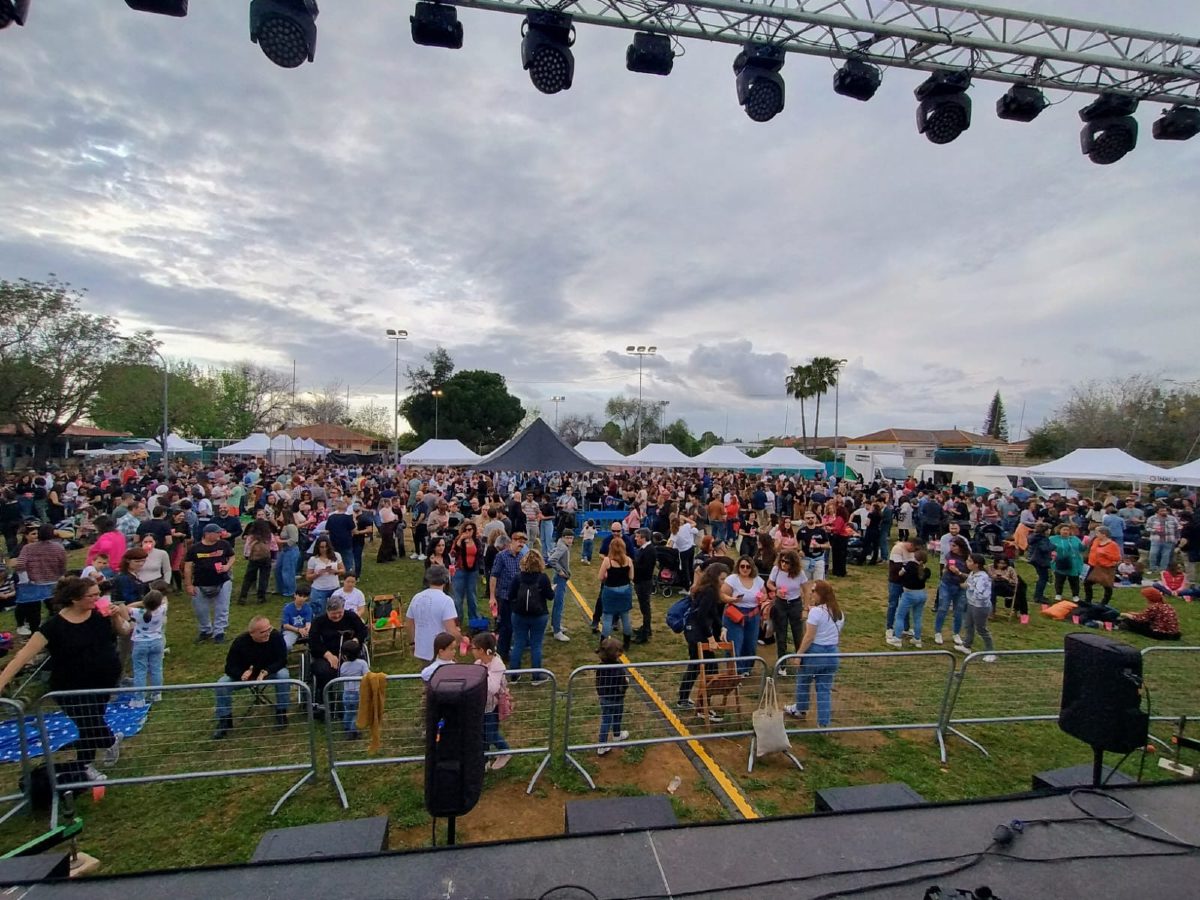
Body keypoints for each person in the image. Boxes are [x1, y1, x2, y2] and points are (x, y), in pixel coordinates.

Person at [0, 577, 132, 783]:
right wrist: (1, 683)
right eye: (92, 595)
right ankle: (109, 741)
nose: (98, 598)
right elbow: (22, 657)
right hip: (69, 684)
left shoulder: (101, 615)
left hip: (103, 678)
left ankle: (85, 764)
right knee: (87, 721)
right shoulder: (52, 627)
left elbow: (125, 631)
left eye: (98, 594)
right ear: (74, 599)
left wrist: (115, 617)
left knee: (90, 722)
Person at [211, 615, 290, 739]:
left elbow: (282, 660)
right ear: (252, 633)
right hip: (246, 676)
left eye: (269, 629)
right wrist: (241, 674)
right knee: (222, 683)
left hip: (268, 673)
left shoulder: (276, 637)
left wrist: (266, 671)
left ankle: (281, 712)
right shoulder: (240, 642)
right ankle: (224, 720)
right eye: (264, 632)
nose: (268, 633)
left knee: (284, 675)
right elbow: (229, 667)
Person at [785, 581, 844, 727]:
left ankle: (800, 708)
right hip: (832, 653)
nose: (811, 594)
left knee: (803, 680)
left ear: (820, 594)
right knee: (824, 689)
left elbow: (809, 637)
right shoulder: (839, 613)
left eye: (813, 591)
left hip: (816, 652)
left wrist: (799, 655)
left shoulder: (816, 612)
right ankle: (823, 723)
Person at [677, 561, 728, 720]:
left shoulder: (709, 590)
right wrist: (711, 637)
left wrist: (722, 627)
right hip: (697, 633)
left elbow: (712, 613)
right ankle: (701, 707)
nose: (724, 582)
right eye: (722, 579)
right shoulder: (709, 592)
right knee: (710, 670)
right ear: (714, 578)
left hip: (694, 631)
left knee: (697, 666)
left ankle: (684, 698)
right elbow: (702, 617)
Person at [308, 595, 369, 712]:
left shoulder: (351, 617)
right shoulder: (319, 621)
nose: (336, 616)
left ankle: (357, 699)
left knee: (356, 668)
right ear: (327, 611)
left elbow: (363, 631)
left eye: (339, 612)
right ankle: (327, 703)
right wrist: (328, 655)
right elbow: (313, 642)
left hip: (350, 653)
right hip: (325, 655)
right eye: (333, 613)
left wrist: (356, 640)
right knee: (325, 671)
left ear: (343, 609)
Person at [10, 522, 66, 636]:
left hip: (34, 583)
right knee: (55, 608)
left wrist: (24, 576)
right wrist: (60, 574)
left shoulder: (28, 548)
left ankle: (36, 633)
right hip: (53, 582)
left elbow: (20, 564)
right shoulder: (58, 548)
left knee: (34, 612)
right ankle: (59, 630)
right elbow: (62, 565)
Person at [184, 523, 235, 644]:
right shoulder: (195, 548)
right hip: (200, 584)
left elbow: (232, 556)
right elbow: (187, 567)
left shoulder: (224, 544)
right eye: (217, 533)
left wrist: (227, 566)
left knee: (222, 607)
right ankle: (205, 630)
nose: (219, 534)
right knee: (201, 609)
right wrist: (189, 585)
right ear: (207, 534)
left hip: (222, 581)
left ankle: (219, 632)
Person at [509, 550, 555, 676]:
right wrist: (550, 589)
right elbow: (551, 596)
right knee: (536, 645)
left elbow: (510, 595)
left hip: (519, 615)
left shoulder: (518, 577)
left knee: (518, 643)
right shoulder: (543, 578)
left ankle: (514, 675)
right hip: (539, 616)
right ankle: (536, 676)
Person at [471, 632, 512, 770]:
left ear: (481, 650)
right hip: (480, 705)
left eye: (473, 648)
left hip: (491, 706)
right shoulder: (479, 663)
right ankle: (484, 760)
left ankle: (505, 751)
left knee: (490, 733)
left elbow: (493, 687)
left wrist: (480, 675)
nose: (472, 651)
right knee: (480, 732)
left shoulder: (497, 664)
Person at [720, 556, 764, 675]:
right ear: (738, 567)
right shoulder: (732, 579)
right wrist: (733, 599)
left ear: (752, 568)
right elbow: (722, 595)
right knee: (735, 643)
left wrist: (763, 598)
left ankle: (746, 669)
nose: (745, 569)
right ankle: (734, 671)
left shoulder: (758, 580)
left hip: (753, 614)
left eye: (748, 566)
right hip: (735, 614)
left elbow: (764, 595)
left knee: (750, 644)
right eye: (742, 566)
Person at [407, 564, 460, 662]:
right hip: (440, 651)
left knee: (426, 675)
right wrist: (461, 639)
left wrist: (412, 643)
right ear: (446, 580)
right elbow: (451, 630)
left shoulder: (416, 597)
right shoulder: (446, 600)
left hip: (421, 650)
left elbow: (410, 623)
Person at [127, 589, 167, 707]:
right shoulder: (162, 609)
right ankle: (157, 694)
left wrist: (141, 603)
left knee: (140, 671)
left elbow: (125, 607)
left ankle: (139, 699)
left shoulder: (137, 612)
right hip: (157, 641)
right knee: (156, 669)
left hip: (140, 643)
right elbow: (164, 601)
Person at [489, 532, 526, 661]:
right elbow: (494, 576)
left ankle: (506, 650)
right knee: (505, 626)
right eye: (519, 541)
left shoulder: (522, 556)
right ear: (512, 542)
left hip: (517, 597)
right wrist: (492, 596)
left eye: (523, 542)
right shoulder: (501, 556)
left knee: (513, 626)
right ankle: (501, 653)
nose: (521, 544)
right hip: (504, 597)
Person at [766, 550, 807, 660]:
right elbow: (769, 583)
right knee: (781, 634)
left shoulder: (800, 573)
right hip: (780, 603)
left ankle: (800, 659)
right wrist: (776, 590)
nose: (783, 564)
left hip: (795, 603)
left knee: (798, 634)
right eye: (782, 561)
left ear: (793, 563)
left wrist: (805, 608)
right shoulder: (776, 570)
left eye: (787, 562)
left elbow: (806, 590)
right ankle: (782, 663)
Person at [598, 533, 635, 650]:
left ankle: (603, 644)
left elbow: (600, 577)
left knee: (608, 617)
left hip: (610, 590)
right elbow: (631, 577)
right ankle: (627, 642)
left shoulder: (607, 561)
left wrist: (606, 576)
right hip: (625, 590)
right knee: (625, 616)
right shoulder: (628, 560)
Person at [595, 637, 630, 755]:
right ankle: (613, 737)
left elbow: (598, 682)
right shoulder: (618, 668)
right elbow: (622, 684)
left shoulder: (600, 667)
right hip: (617, 698)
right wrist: (626, 683)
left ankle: (606, 742)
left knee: (606, 719)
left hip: (604, 698)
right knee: (616, 717)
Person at [933, 536, 969, 646]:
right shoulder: (950, 556)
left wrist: (959, 573)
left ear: (960, 546)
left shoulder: (967, 557)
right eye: (951, 545)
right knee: (943, 608)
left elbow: (969, 573)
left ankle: (956, 633)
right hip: (947, 584)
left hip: (960, 586)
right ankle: (938, 632)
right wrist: (952, 570)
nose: (951, 548)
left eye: (954, 546)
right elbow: (951, 567)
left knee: (959, 610)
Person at [959, 553, 996, 660]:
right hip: (971, 603)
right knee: (968, 625)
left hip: (980, 606)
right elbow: (969, 582)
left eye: (970, 561)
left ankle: (990, 652)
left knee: (981, 629)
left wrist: (968, 586)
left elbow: (981, 594)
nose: (967, 562)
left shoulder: (983, 577)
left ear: (976, 564)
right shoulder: (973, 573)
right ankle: (967, 645)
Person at [893, 549, 931, 648]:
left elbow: (900, 573)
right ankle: (917, 639)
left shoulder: (910, 565)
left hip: (909, 594)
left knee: (900, 616)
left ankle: (897, 638)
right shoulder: (926, 570)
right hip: (922, 594)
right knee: (917, 617)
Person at [450, 522, 484, 621]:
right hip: (460, 570)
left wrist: (481, 570)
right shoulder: (458, 540)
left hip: (473, 571)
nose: (468, 532)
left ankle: (473, 618)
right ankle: (458, 619)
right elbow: (453, 553)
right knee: (458, 597)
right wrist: (461, 539)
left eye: (470, 529)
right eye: (466, 530)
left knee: (472, 596)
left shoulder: (477, 541)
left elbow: (480, 555)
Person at [337, 639, 370, 739]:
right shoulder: (362, 663)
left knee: (348, 711)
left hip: (346, 693)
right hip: (358, 693)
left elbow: (341, 675)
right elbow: (367, 675)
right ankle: (353, 730)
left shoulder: (343, 665)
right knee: (356, 712)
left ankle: (346, 727)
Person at [305, 536, 345, 616]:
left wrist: (335, 571)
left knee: (336, 612)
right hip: (319, 590)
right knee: (319, 613)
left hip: (334, 588)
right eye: (322, 547)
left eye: (326, 547)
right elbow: (308, 577)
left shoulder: (336, 556)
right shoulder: (313, 559)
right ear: (318, 547)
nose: (324, 549)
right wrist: (317, 574)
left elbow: (343, 570)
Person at [239, 519, 274, 605]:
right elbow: (273, 546)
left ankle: (243, 596)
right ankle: (261, 597)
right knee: (264, 578)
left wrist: (246, 555)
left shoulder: (251, 537)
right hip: (265, 558)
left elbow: (247, 547)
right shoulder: (268, 535)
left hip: (254, 558)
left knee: (248, 578)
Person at [546, 531, 573, 643]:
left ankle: (555, 625)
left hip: (560, 578)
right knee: (559, 604)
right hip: (560, 578)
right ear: (563, 538)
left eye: (571, 538)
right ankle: (557, 631)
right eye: (567, 538)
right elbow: (551, 560)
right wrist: (560, 571)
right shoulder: (563, 548)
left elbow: (551, 553)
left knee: (558, 603)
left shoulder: (560, 545)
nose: (570, 540)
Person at [1083, 526, 1121, 606]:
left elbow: (1117, 557)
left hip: (1105, 567)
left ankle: (1104, 602)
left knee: (1107, 585)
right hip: (1094, 566)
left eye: (1098, 533)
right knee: (1087, 583)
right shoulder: (1096, 540)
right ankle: (1088, 600)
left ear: (1104, 534)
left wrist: (1105, 554)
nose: (1096, 534)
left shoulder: (1112, 545)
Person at [632, 528, 657, 644]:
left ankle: (646, 632)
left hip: (644, 583)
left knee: (645, 607)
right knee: (644, 607)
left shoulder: (649, 551)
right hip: (642, 582)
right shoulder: (645, 549)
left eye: (637, 537)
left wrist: (632, 565)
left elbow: (645, 569)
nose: (635, 539)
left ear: (643, 538)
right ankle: (646, 628)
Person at [1049, 523, 1084, 603]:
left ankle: (1075, 595)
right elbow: (1048, 549)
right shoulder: (1053, 539)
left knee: (1074, 580)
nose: (1066, 531)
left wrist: (1085, 543)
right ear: (1059, 530)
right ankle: (1058, 594)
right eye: (1064, 530)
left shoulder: (1075, 539)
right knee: (1059, 579)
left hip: (1074, 563)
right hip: (1059, 562)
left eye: (1067, 530)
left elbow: (1081, 548)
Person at [1147, 505, 1181, 576]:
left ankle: (1163, 570)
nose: (1164, 512)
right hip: (1156, 539)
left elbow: (1178, 528)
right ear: (1157, 511)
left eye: (1165, 510)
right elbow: (1147, 528)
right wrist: (1155, 530)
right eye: (1162, 511)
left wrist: (1177, 538)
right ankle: (1152, 568)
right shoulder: (1152, 518)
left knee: (1166, 555)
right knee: (1153, 553)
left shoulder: (1172, 518)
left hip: (1169, 540)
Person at [1026, 522, 1054, 605]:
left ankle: (1039, 595)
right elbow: (1045, 548)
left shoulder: (1034, 537)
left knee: (1042, 578)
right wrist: (1053, 546)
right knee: (1043, 578)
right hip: (1041, 560)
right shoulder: (1042, 538)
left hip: (1035, 559)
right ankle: (1038, 596)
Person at [280, 584, 313, 650]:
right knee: (287, 645)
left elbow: (308, 622)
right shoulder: (287, 608)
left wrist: (306, 630)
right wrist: (298, 630)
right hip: (291, 631)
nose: (302, 598)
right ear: (295, 595)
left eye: (304, 596)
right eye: (300, 596)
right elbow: (285, 625)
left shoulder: (308, 608)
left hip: (304, 631)